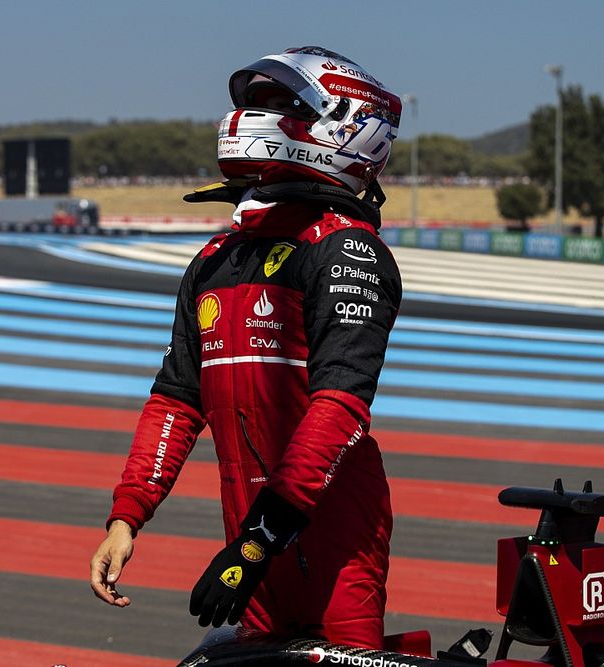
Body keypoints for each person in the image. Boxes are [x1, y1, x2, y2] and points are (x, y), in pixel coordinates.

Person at [90, 46, 404, 650]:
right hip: (250, 525)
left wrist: (259, 542)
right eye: (255, 101)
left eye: (277, 103)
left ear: (345, 122)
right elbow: (176, 402)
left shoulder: (347, 250)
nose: (251, 116)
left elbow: (339, 409)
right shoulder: (214, 258)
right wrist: (127, 516)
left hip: (331, 530)